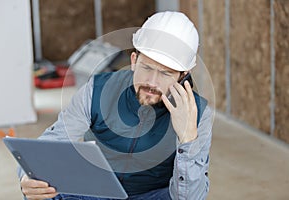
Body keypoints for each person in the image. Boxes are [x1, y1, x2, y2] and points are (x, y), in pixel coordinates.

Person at [19, 11, 213, 200]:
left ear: (183, 75)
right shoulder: (97, 90)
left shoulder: (198, 115)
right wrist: (27, 177)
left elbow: (189, 197)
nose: (152, 82)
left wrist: (188, 139)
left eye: (166, 73)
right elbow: (51, 143)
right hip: (96, 191)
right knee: (43, 193)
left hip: (152, 195)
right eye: (147, 67)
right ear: (134, 61)